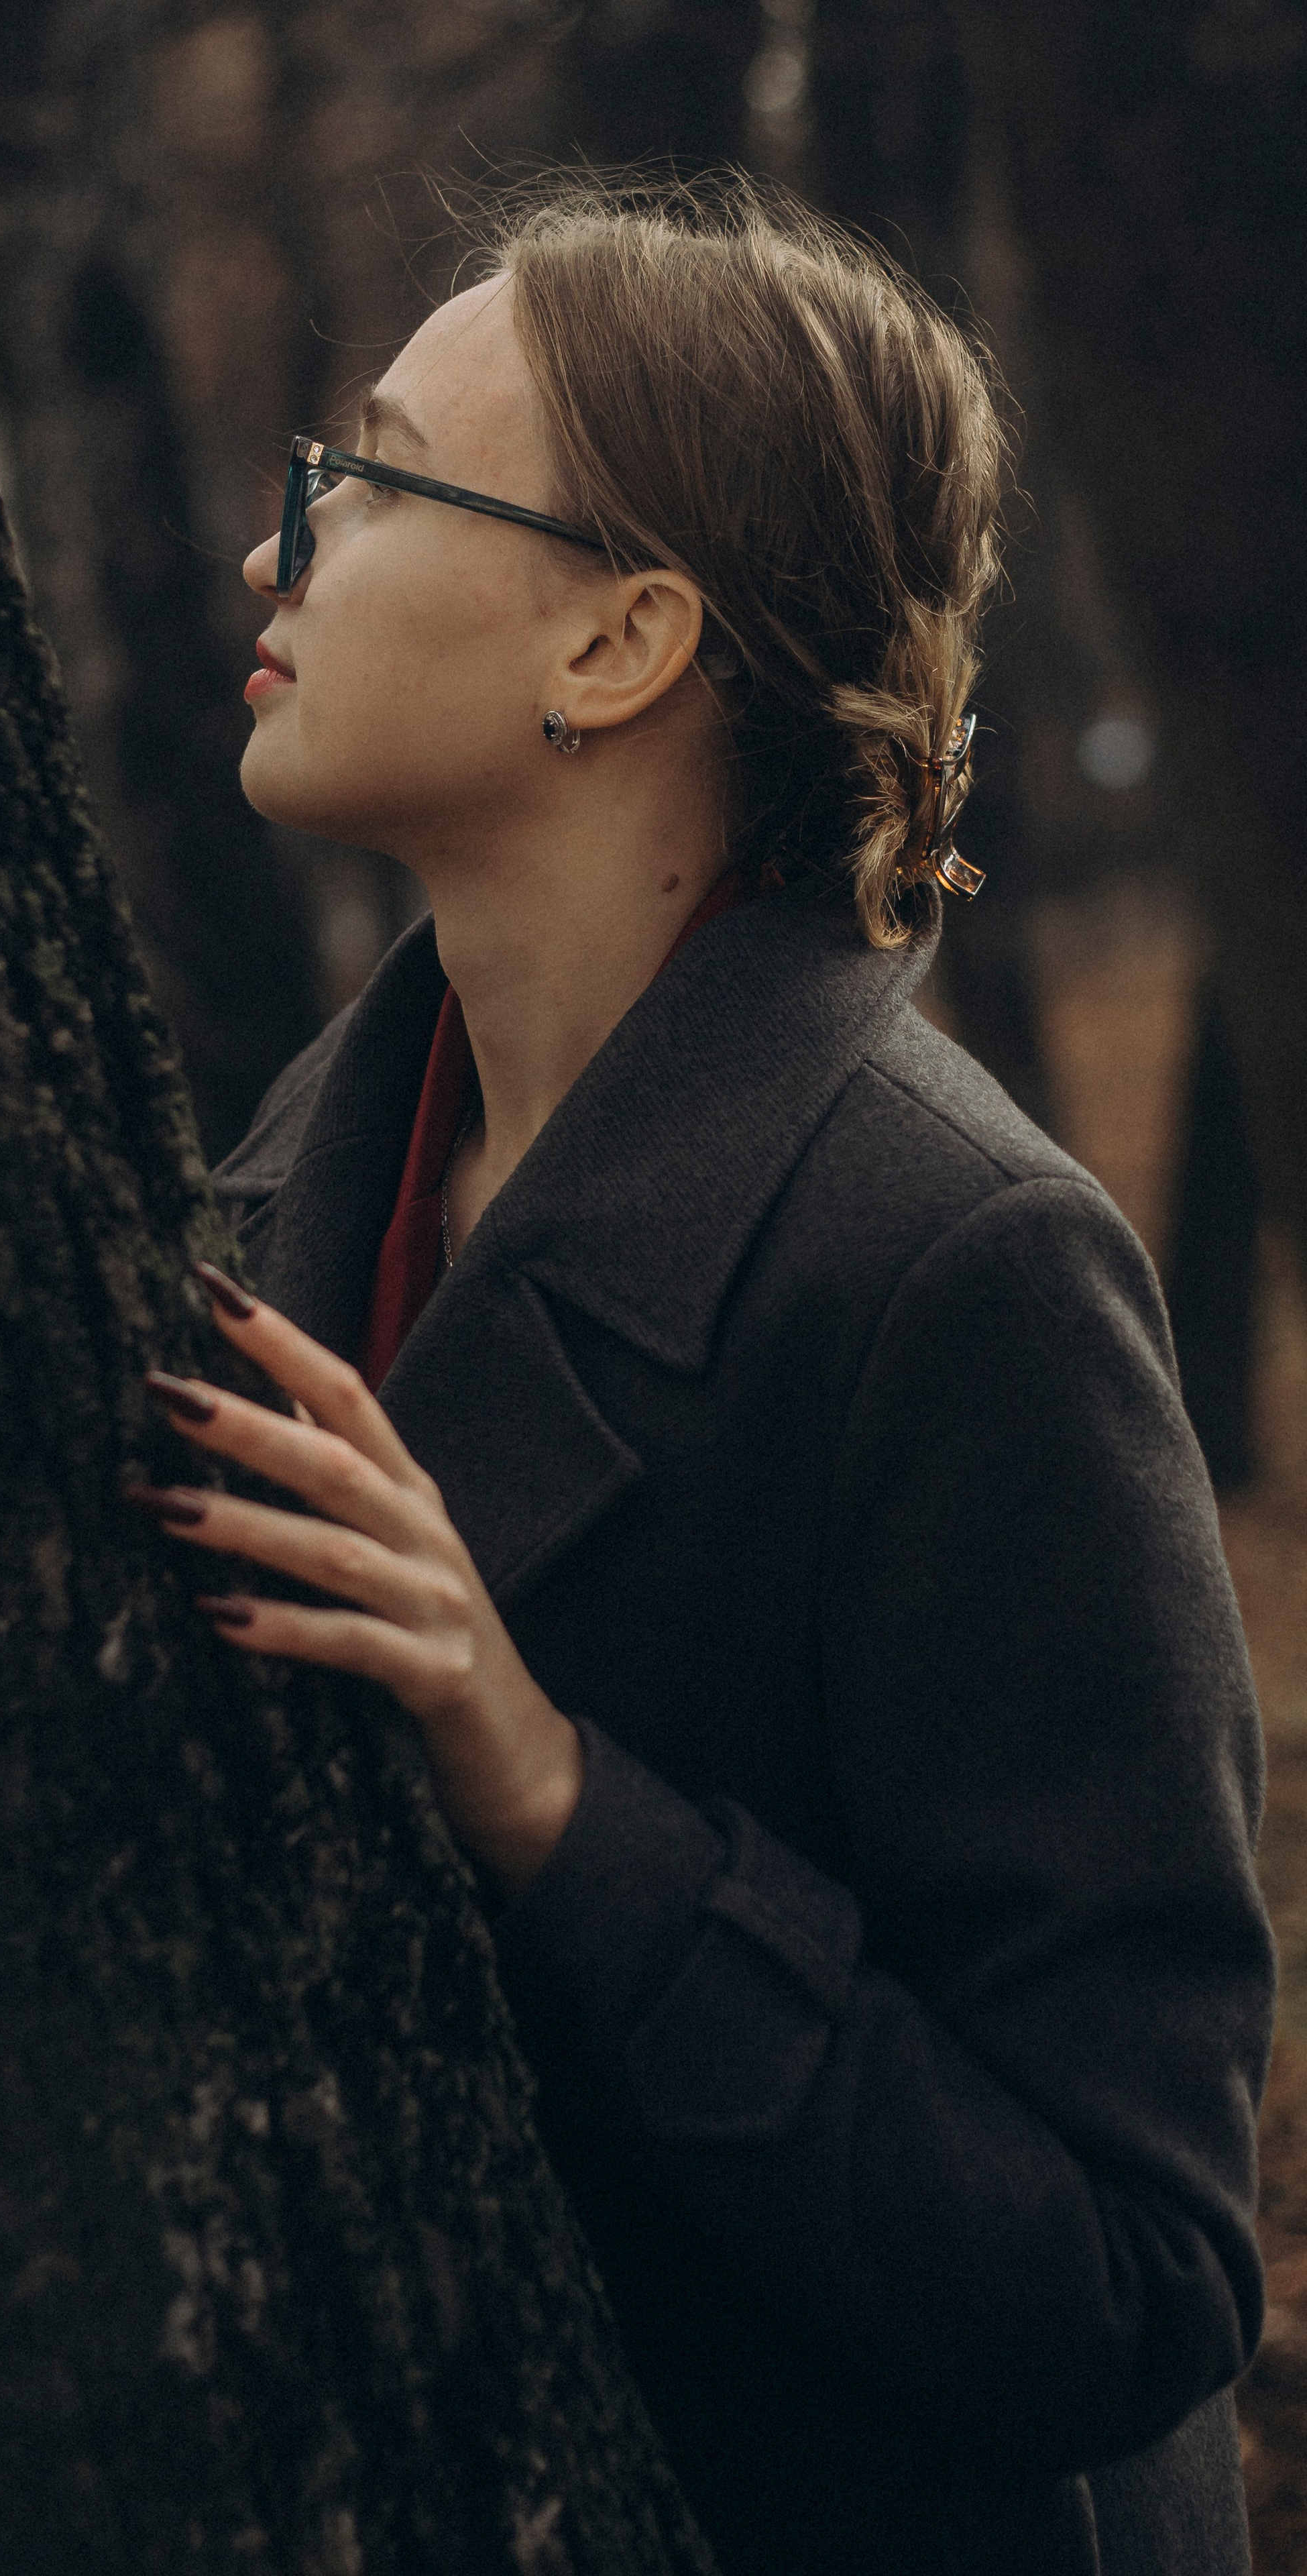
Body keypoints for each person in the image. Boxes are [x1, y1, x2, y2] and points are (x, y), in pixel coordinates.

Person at [127, 178, 1274, 2575]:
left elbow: (1133, 2275)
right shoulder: (293, 1174)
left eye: (374, 476)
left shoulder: (968, 1277)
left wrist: (557, 1801)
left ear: (624, 637)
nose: (276, 559)